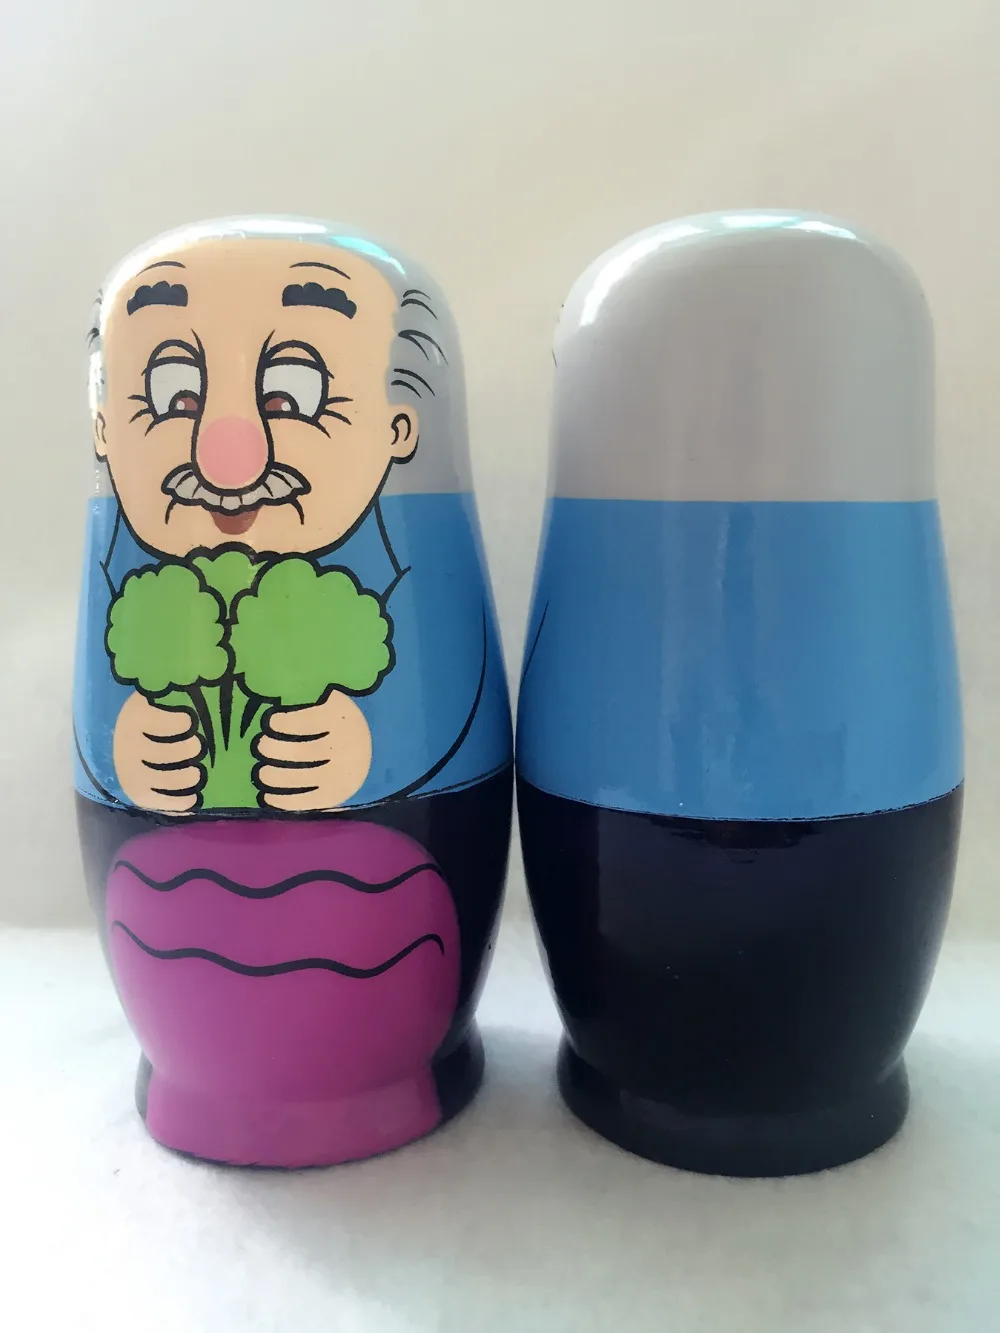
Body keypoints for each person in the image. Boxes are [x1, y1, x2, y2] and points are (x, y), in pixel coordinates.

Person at [74, 221, 509, 815]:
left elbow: (455, 693)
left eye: (290, 399)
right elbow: (100, 717)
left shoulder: (414, 579)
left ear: (398, 428)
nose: (227, 465)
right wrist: (123, 748)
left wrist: (374, 755)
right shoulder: (124, 587)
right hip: (150, 858)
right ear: (104, 430)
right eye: (177, 398)